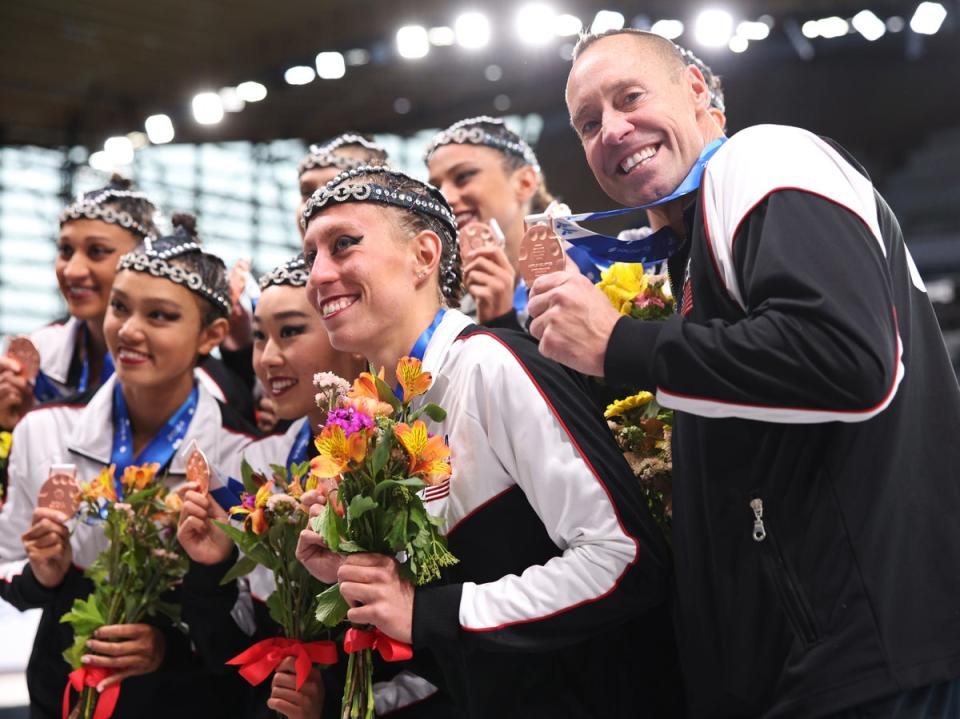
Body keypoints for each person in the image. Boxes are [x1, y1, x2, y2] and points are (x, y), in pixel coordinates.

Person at [527, 28, 960, 718]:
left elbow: (847, 360)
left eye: (629, 96)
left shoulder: (764, 157)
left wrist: (622, 345)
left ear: (699, 94)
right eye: (587, 123)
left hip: (866, 661)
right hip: (819, 665)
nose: (612, 128)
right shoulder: (696, 239)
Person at [294, 166, 681, 717]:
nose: (318, 274)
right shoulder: (379, 418)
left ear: (424, 256)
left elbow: (625, 559)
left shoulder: (490, 365)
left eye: (343, 245)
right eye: (311, 255)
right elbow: (461, 641)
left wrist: (430, 612)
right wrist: (356, 574)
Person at [0, 214, 256, 717]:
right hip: (61, 696)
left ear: (213, 335)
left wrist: (170, 647)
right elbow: (7, 566)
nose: (130, 331)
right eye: (120, 307)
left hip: (187, 703)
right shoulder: (44, 431)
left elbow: (253, 617)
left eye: (160, 316)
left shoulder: (242, 455)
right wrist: (42, 577)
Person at [178, 255, 450, 718]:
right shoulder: (257, 464)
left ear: (348, 332)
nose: (266, 358)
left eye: (290, 332)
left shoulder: (404, 461)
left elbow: (437, 653)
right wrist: (211, 569)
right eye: (260, 335)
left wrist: (332, 706)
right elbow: (227, 651)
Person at [0, 176, 157, 429]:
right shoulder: (42, 351)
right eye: (65, 250)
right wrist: (14, 428)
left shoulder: (184, 372)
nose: (72, 271)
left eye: (97, 251)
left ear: (143, 258)